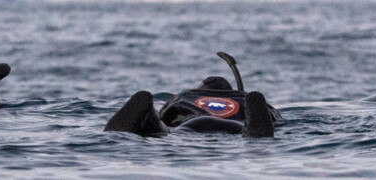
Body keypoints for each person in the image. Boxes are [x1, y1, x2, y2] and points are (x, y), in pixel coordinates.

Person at [104, 52, 282, 137]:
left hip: (188, 126)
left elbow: (165, 113)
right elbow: (276, 119)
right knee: (251, 135)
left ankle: (150, 119)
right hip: (236, 127)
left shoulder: (186, 97)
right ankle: (254, 135)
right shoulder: (242, 99)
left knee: (160, 131)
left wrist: (156, 118)